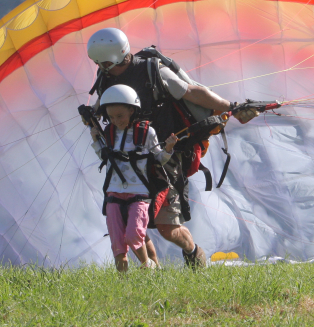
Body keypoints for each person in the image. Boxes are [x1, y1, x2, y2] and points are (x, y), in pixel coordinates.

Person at [86, 27, 259, 268]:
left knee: (167, 227)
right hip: (129, 160)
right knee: (130, 220)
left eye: (107, 64)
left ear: (121, 56)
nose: (104, 69)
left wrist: (231, 107)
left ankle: (193, 252)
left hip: (165, 156)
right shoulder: (106, 77)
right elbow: (106, 105)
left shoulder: (152, 70)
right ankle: (153, 273)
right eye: (101, 65)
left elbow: (192, 92)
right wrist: (91, 114)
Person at [91, 84, 178, 272]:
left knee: (134, 235)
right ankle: (123, 284)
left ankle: (149, 266)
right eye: (111, 117)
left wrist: (169, 149)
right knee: (117, 241)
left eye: (120, 116)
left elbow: (159, 159)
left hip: (139, 192)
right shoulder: (110, 133)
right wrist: (96, 140)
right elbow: (104, 158)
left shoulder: (146, 133)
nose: (116, 121)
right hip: (114, 191)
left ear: (132, 110)